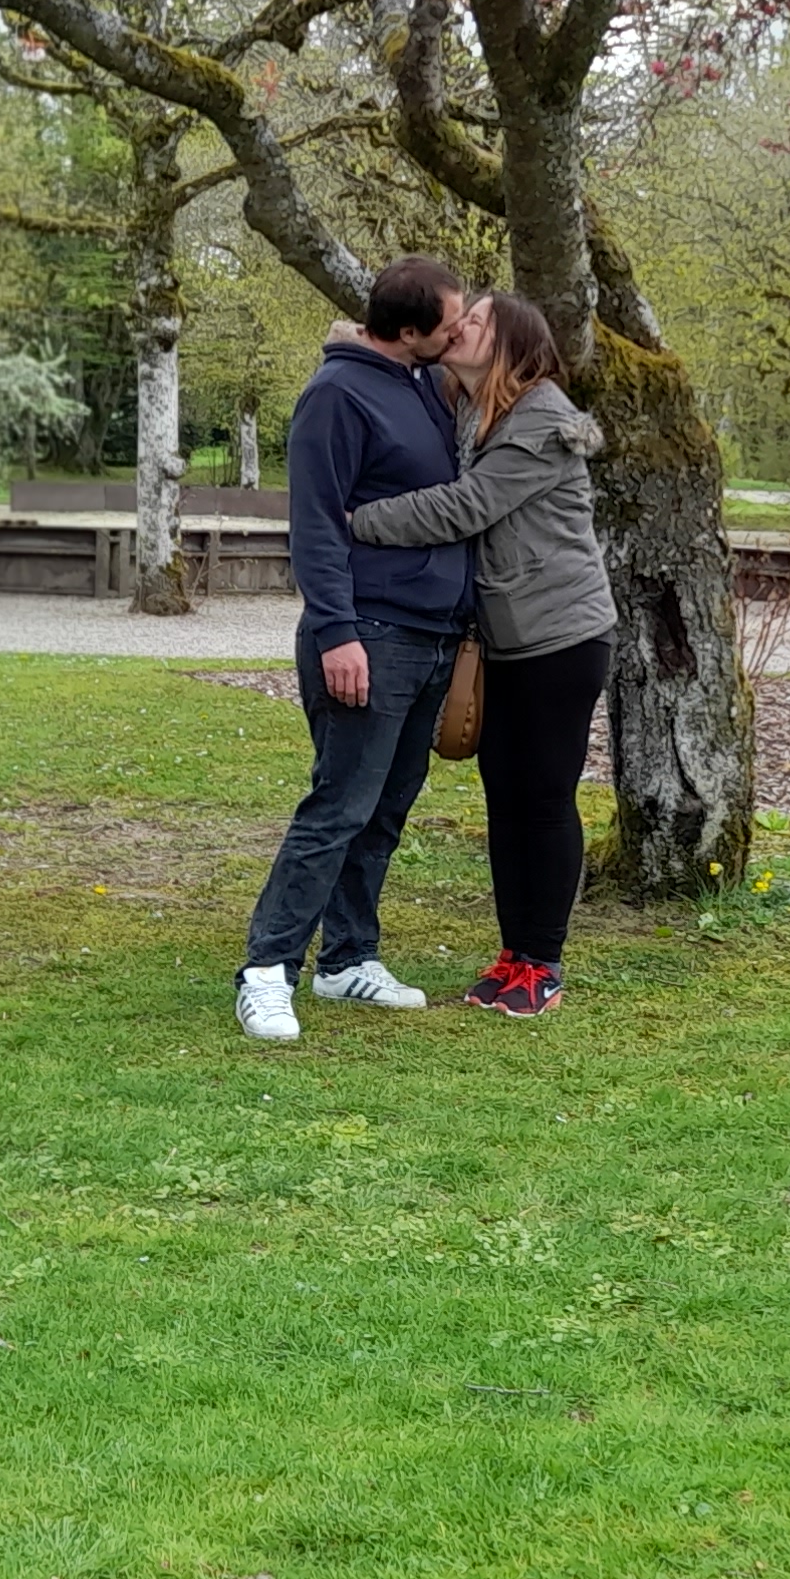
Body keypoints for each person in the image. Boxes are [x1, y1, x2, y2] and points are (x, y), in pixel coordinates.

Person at [344, 291, 614, 1016]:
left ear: (512, 344)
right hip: (504, 638)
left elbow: (463, 508)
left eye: (479, 321)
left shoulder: (542, 418)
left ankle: (542, 964)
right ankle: (512, 954)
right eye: (462, 318)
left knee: (543, 796)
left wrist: (355, 520)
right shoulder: (469, 405)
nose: (461, 327)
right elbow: (396, 350)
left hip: (560, 636)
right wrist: (357, 336)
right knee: (504, 796)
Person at [234, 255, 474, 1043]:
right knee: (337, 807)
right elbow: (315, 521)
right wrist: (337, 630)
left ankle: (347, 959)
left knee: (385, 809)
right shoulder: (336, 395)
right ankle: (266, 971)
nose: (460, 333)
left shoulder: (423, 383)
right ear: (407, 330)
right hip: (369, 633)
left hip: (432, 636)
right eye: (451, 323)